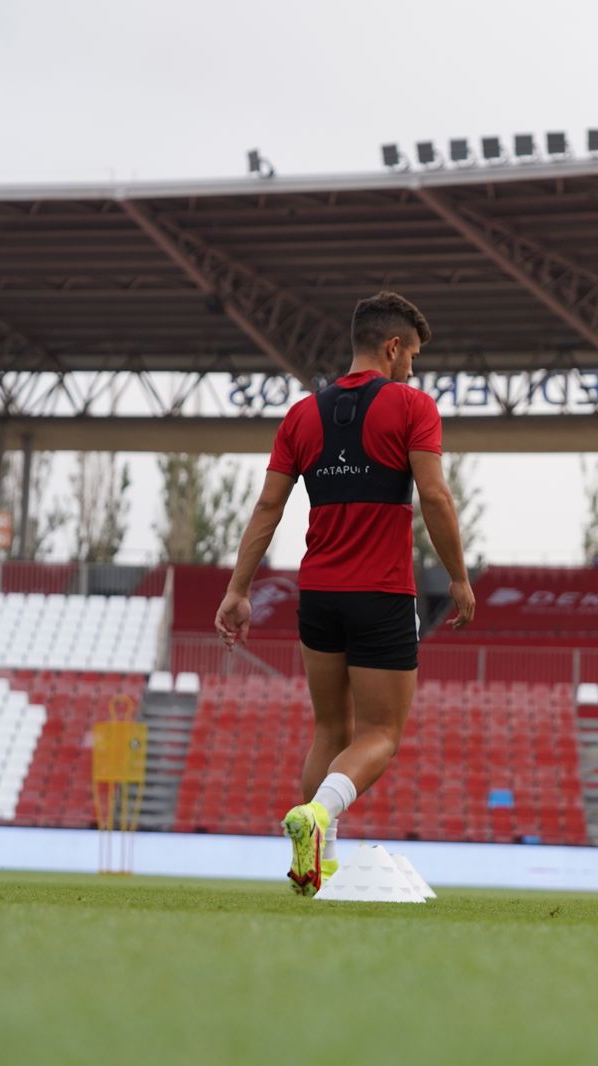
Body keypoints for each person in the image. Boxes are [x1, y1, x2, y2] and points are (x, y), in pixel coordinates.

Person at [215, 291, 475, 896]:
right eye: (410, 353)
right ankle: (318, 816)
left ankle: (318, 865)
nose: (412, 366)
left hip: (319, 595)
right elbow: (434, 497)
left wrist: (237, 590)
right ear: (392, 347)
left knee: (328, 730)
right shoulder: (412, 406)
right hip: (381, 594)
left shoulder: (301, 416)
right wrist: (459, 577)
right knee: (380, 735)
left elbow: (267, 507)